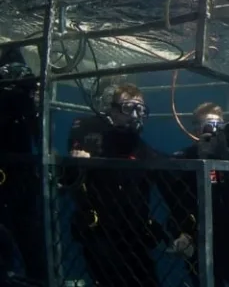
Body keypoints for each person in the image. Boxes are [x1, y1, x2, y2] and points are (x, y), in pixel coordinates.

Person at [62, 83, 168, 287]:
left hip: (135, 237)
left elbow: (170, 171)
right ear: (111, 110)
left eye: (140, 109)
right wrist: (77, 163)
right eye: (129, 108)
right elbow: (68, 181)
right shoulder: (94, 138)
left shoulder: (143, 150)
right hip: (100, 234)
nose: (136, 115)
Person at [165, 102, 229, 287]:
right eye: (208, 126)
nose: (214, 132)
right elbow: (173, 192)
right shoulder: (184, 158)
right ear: (195, 130)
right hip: (197, 240)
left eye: (219, 126)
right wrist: (203, 159)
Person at [0, 46, 46, 283]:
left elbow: (37, 131)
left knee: (26, 236)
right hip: (19, 170)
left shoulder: (22, 94)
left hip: (20, 172)